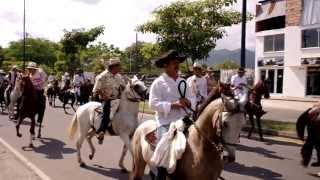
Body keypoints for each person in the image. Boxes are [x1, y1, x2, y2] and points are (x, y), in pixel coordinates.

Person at [149, 50, 196, 180]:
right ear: (165, 65)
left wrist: (189, 102)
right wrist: (173, 104)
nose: (177, 65)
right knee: (165, 147)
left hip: (184, 120)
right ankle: (161, 175)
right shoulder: (158, 83)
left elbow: (192, 99)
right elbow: (152, 104)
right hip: (166, 122)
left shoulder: (183, 82)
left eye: (178, 63)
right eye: (174, 63)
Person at [92, 57, 126, 142]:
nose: (120, 68)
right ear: (113, 67)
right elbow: (96, 90)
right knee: (106, 112)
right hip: (105, 99)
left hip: (117, 99)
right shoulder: (102, 76)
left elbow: (123, 87)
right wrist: (104, 96)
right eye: (119, 66)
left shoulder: (119, 76)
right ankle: (101, 131)